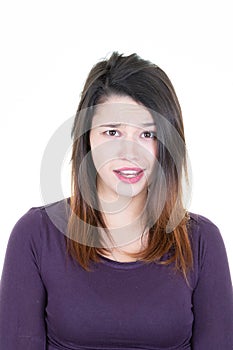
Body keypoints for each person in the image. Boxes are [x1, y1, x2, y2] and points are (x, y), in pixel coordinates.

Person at [0, 51, 233, 350]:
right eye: (112, 131)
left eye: (147, 134)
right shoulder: (35, 234)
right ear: (87, 139)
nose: (130, 153)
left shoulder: (201, 242)